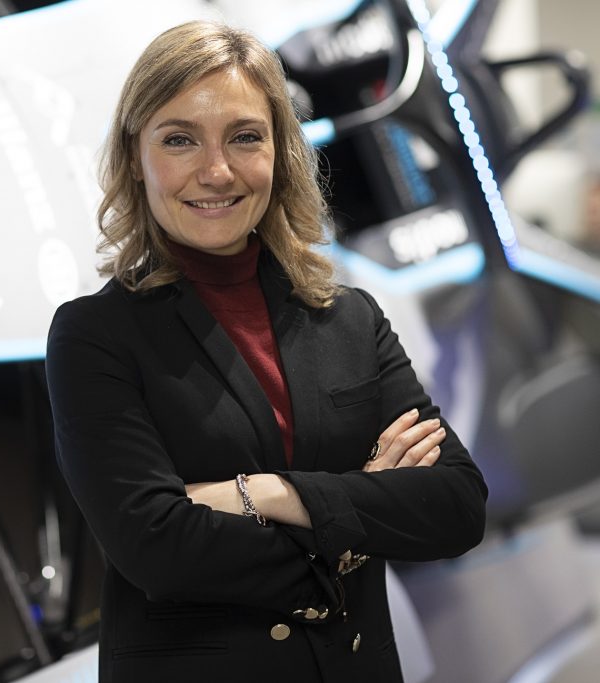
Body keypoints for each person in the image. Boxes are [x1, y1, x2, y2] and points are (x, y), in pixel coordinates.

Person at [45, 19, 487, 683]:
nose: (216, 171)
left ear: (280, 151)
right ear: (135, 157)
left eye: (245, 136)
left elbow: (456, 505)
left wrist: (263, 494)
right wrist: (361, 510)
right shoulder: (93, 336)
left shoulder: (350, 318)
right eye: (179, 139)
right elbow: (158, 548)